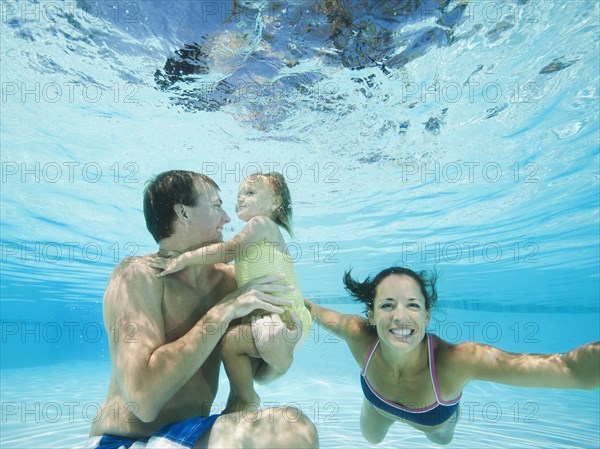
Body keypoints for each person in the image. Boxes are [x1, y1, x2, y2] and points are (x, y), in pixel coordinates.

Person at [82, 170, 318, 449]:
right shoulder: (136, 275)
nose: (228, 218)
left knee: (293, 429)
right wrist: (224, 310)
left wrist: (281, 358)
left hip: (189, 434)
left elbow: (259, 372)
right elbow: (143, 400)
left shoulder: (232, 282)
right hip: (125, 440)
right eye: (217, 206)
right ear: (183, 213)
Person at [304, 266, 599, 445]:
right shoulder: (358, 334)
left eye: (413, 306)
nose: (400, 317)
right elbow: (311, 309)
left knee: (442, 441)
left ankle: (447, 424)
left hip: (434, 421)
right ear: (370, 314)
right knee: (372, 439)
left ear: (427, 316)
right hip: (378, 408)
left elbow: (570, 370)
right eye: (387, 305)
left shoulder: (458, 361)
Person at [147, 172, 311, 413]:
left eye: (250, 193)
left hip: (282, 317)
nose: (240, 199)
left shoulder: (261, 225)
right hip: (276, 319)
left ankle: (245, 399)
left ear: (276, 203)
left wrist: (184, 259)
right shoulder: (258, 237)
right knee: (251, 361)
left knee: (230, 343)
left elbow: (228, 250)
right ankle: (253, 390)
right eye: (239, 195)